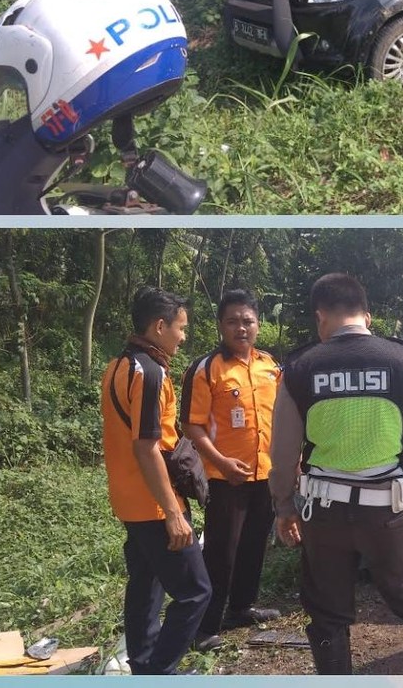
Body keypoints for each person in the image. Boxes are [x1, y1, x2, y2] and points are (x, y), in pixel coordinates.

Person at [269, 273, 403, 675]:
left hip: (323, 514)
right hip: (387, 513)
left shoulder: (300, 368)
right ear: (366, 316)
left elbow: (283, 452)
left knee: (328, 614)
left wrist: (284, 506)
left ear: (321, 317)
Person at [101, 287, 212, 675]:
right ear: (160, 326)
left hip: (129, 499)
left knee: (146, 584)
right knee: (196, 592)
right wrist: (172, 512)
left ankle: (144, 665)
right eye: (181, 328)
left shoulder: (118, 365)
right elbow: (146, 448)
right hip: (153, 503)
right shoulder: (149, 373)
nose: (184, 336)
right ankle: (161, 672)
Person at [181, 290, 281, 643]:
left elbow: (285, 420)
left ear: (258, 324)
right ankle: (205, 626)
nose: (241, 328)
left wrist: (291, 460)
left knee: (255, 544)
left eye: (248, 321)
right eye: (233, 322)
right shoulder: (207, 368)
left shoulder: (271, 366)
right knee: (222, 552)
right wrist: (221, 461)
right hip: (225, 478)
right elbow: (191, 426)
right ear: (221, 326)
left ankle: (241, 608)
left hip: (266, 475)